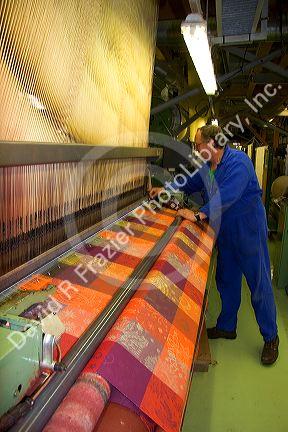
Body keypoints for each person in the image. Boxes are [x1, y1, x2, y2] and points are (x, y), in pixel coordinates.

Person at [150, 125, 279, 365]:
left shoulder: (238, 163)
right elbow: (188, 183)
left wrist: (199, 215)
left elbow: (226, 195)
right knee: (226, 278)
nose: (196, 150)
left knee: (258, 283)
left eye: (198, 145)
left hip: (247, 229)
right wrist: (164, 189)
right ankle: (227, 326)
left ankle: (271, 337)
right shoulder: (208, 168)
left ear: (212, 144)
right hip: (226, 231)